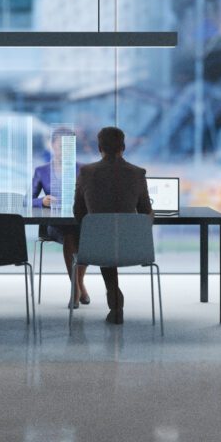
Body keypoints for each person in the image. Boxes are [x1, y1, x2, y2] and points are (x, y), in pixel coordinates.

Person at [73, 126, 152, 325]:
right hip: (132, 246)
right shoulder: (138, 173)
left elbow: (78, 213)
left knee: (104, 237)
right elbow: (145, 212)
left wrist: (97, 222)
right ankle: (115, 299)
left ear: (99, 148)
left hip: (96, 245)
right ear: (123, 147)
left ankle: (115, 299)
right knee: (112, 236)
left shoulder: (86, 172)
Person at [32, 126, 88, 307]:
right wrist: (42, 201)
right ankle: (76, 289)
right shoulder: (41, 171)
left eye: (69, 147)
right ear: (52, 145)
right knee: (71, 235)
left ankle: (78, 284)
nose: (65, 151)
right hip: (55, 224)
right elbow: (27, 200)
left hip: (80, 221)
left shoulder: (84, 170)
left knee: (83, 234)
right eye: (61, 146)